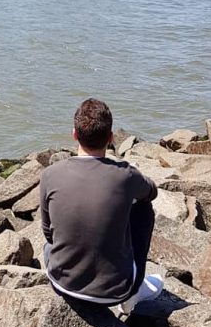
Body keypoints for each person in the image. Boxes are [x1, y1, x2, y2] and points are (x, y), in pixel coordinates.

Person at [40, 98, 162, 315]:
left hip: (62, 285)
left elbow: (49, 234)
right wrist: (128, 184)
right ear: (111, 138)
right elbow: (151, 192)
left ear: (74, 135)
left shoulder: (50, 174)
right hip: (116, 291)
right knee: (143, 209)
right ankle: (135, 291)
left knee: (48, 246)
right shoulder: (125, 176)